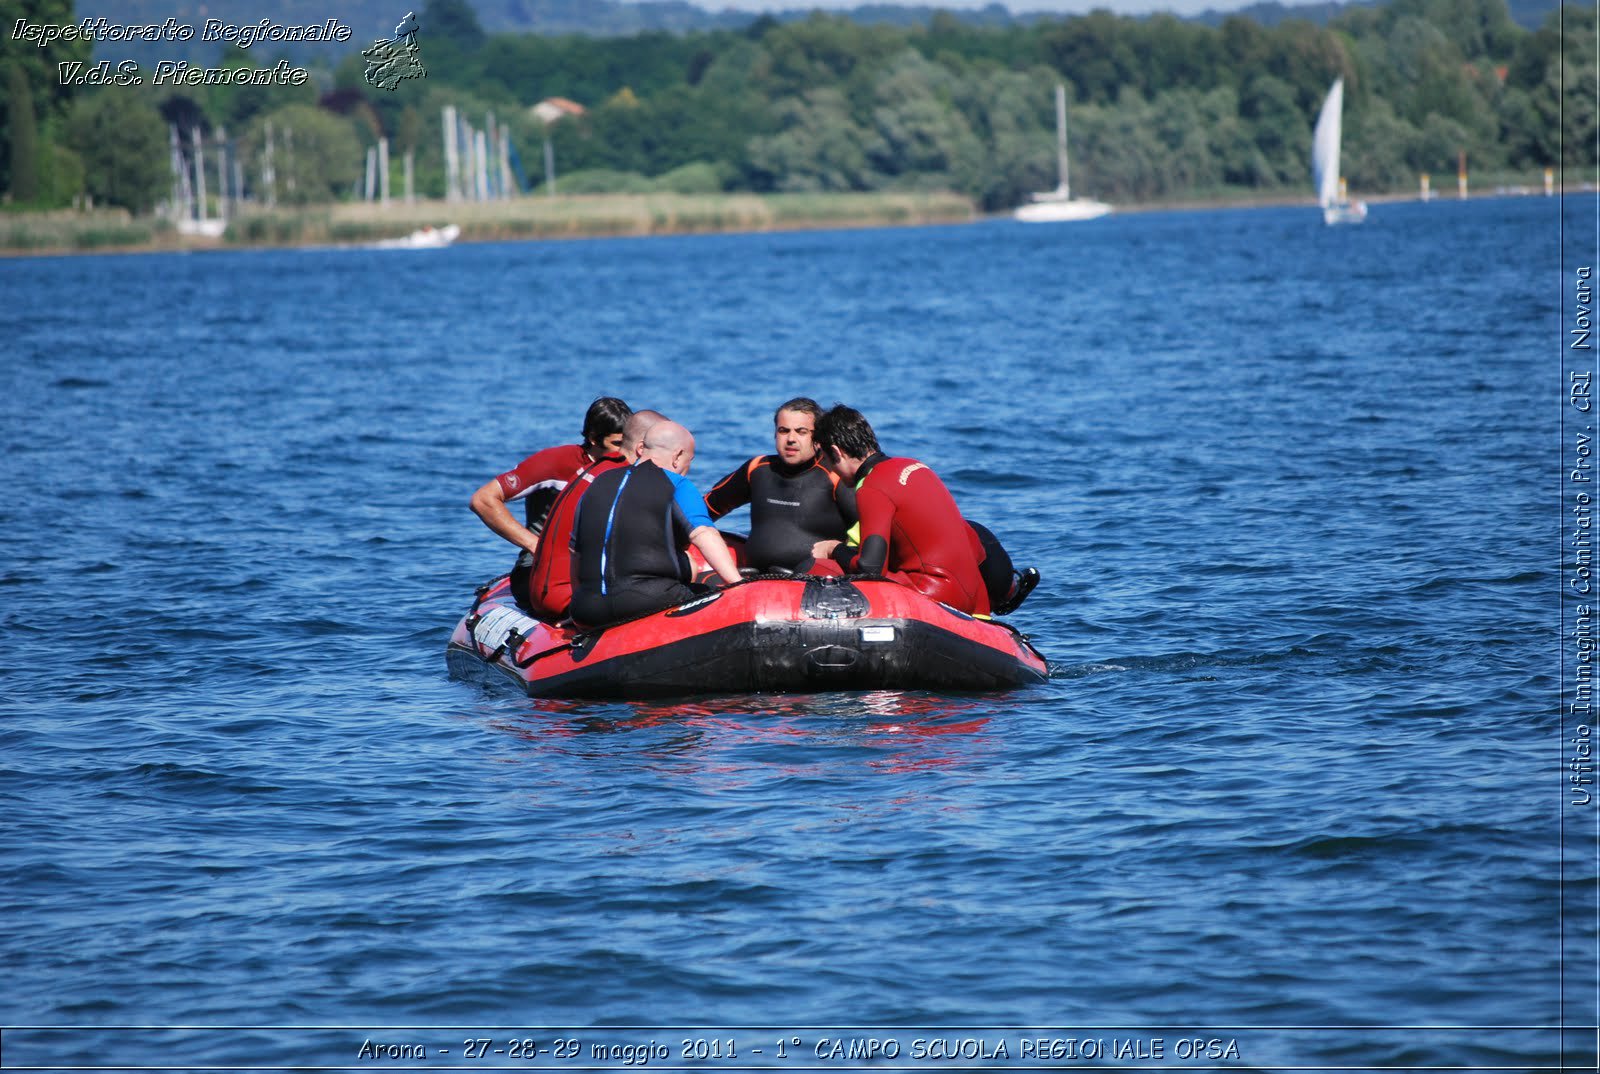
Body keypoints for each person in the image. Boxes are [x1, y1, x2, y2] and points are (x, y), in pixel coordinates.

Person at [811, 405, 1036, 616]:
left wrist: (834, 549)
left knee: (817, 568)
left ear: (836, 452)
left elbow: (870, 568)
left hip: (934, 596)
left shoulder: (872, 487)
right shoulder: (915, 466)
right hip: (975, 600)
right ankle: (1009, 592)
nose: (831, 471)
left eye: (828, 462)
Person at [569, 420, 742, 629]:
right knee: (699, 575)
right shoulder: (676, 483)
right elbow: (703, 533)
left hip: (587, 609)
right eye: (690, 460)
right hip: (650, 600)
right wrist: (738, 585)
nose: (687, 468)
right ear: (678, 455)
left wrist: (580, 607)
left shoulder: (597, 482)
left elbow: (576, 553)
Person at [469, 396, 633, 611]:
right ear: (593, 438)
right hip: (540, 573)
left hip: (598, 568)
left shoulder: (630, 467)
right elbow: (483, 499)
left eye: (627, 444)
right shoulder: (555, 462)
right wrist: (535, 545)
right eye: (617, 444)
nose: (624, 453)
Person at [519, 409, 668, 621]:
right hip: (569, 598)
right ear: (642, 447)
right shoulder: (625, 479)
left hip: (544, 592)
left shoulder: (598, 468)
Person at [703, 397, 855, 574]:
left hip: (816, 584)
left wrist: (840, 551)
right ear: (775, 434)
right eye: (783, 431)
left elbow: (869, 533)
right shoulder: (757, 469)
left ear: (818, 438)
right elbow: (704, 511)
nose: (791, 439)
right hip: (755, 580)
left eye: (801, 432)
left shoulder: (836, 475)